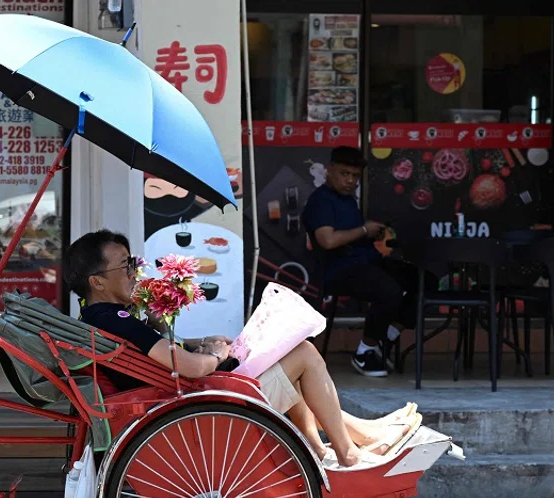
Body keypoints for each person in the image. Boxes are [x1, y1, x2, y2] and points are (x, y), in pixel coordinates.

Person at [63, 230, 420, 468]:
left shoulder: (99, 316)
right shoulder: (114, 320)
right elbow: (185, 366)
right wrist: (216, 355)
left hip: (191, 400)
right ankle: (348, 452)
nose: (134, 271)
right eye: (125, 265)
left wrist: (196, 342)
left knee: (284, 359)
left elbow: (167, 354)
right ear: (97, 281)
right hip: (198, 408)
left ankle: (332, 443)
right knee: (306, 354)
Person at [301, 146, 433, 377]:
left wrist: (371, 233)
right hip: (340, 270)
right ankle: (365, 352)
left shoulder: (348, 200)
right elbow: (328, 240)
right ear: (330, 170)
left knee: (426, 281)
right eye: (345, 174)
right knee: (389, 291)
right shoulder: (320, 201)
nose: (350, 181)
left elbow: (352, 233)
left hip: (368, 262)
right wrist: (364, 229)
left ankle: (387, 336)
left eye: (354, 176)